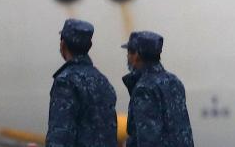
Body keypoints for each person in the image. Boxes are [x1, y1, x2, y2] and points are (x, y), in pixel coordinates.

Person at [46, 19, 118, 147]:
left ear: (63, 44)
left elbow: (60, 134)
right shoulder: (102, 81)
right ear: (89, 46)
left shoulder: (65, 82)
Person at [121, 31, 194, 146]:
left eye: (129, 52)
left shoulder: (144, 88)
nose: (127, 56)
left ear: (137, 55)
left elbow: (148, 138)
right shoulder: (174, 82)